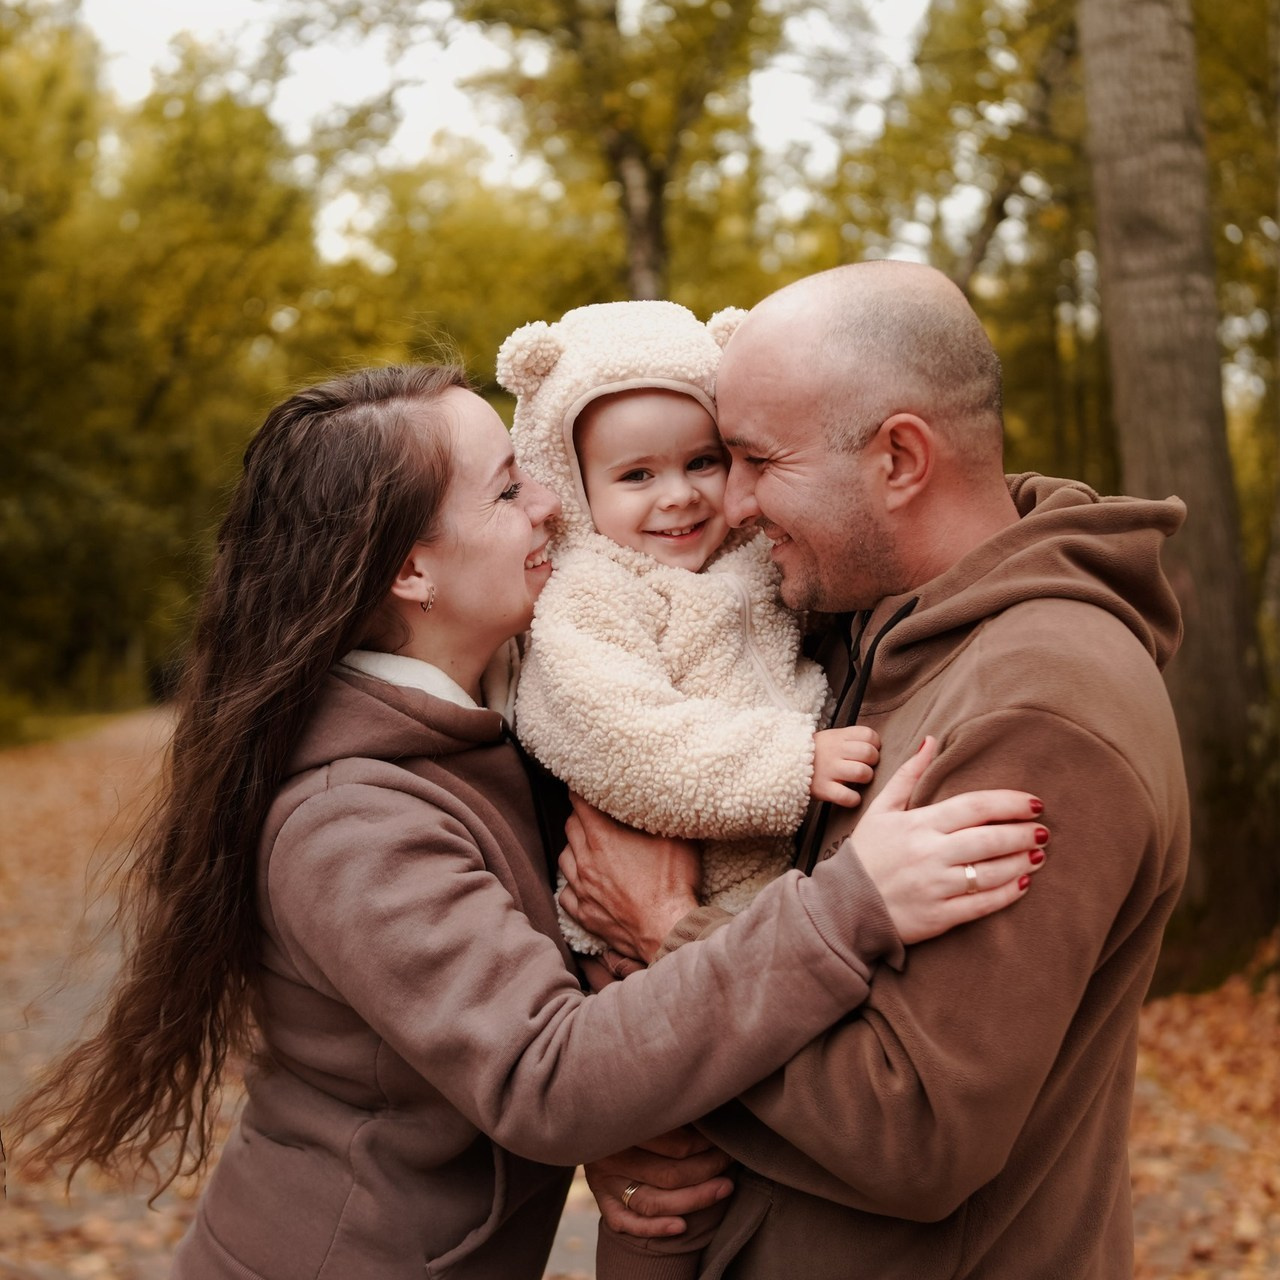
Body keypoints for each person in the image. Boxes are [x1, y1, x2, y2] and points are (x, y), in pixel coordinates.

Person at [6, 363, 1051, 1280]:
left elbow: (526, 1035)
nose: (553, 503)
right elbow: (541, 1073)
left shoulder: (494, 725)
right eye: (508, 487)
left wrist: (618, 1126)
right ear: (410, 569)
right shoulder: (348, 823)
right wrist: (844, 908)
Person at [562, 261, 1190, 1279]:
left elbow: (913, 1128)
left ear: (899, 457)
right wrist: (639, 1122)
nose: (736, 503)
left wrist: (667, 932)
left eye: (758, 461)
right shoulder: (856, 625)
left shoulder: (1039, 706)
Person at [497, 300, 881, 956]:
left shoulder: (755, 556)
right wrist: (788, 764)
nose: (677, 494)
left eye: (703, 462)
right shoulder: (590, 595)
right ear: (574, 487)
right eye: (638, 475)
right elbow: (618, 735)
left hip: (776, 882)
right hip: (672, 896)